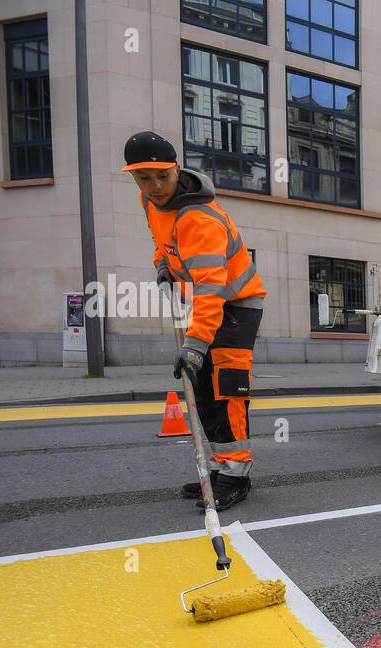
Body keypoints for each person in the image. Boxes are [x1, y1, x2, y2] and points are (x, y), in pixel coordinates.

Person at [124, 131, 266, 510]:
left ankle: (237, 474)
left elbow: (211, 290)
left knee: (227, 387)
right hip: (206, 302)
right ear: (133, 178)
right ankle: (222, 464)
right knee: (200, 388)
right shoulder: (149, 201)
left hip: (237, 305)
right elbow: (159, 239)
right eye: (143, 177)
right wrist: (162, 265)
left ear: (176, 169)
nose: (154, 186)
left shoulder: (199, 220)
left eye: (162, 176)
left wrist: (195, 345)